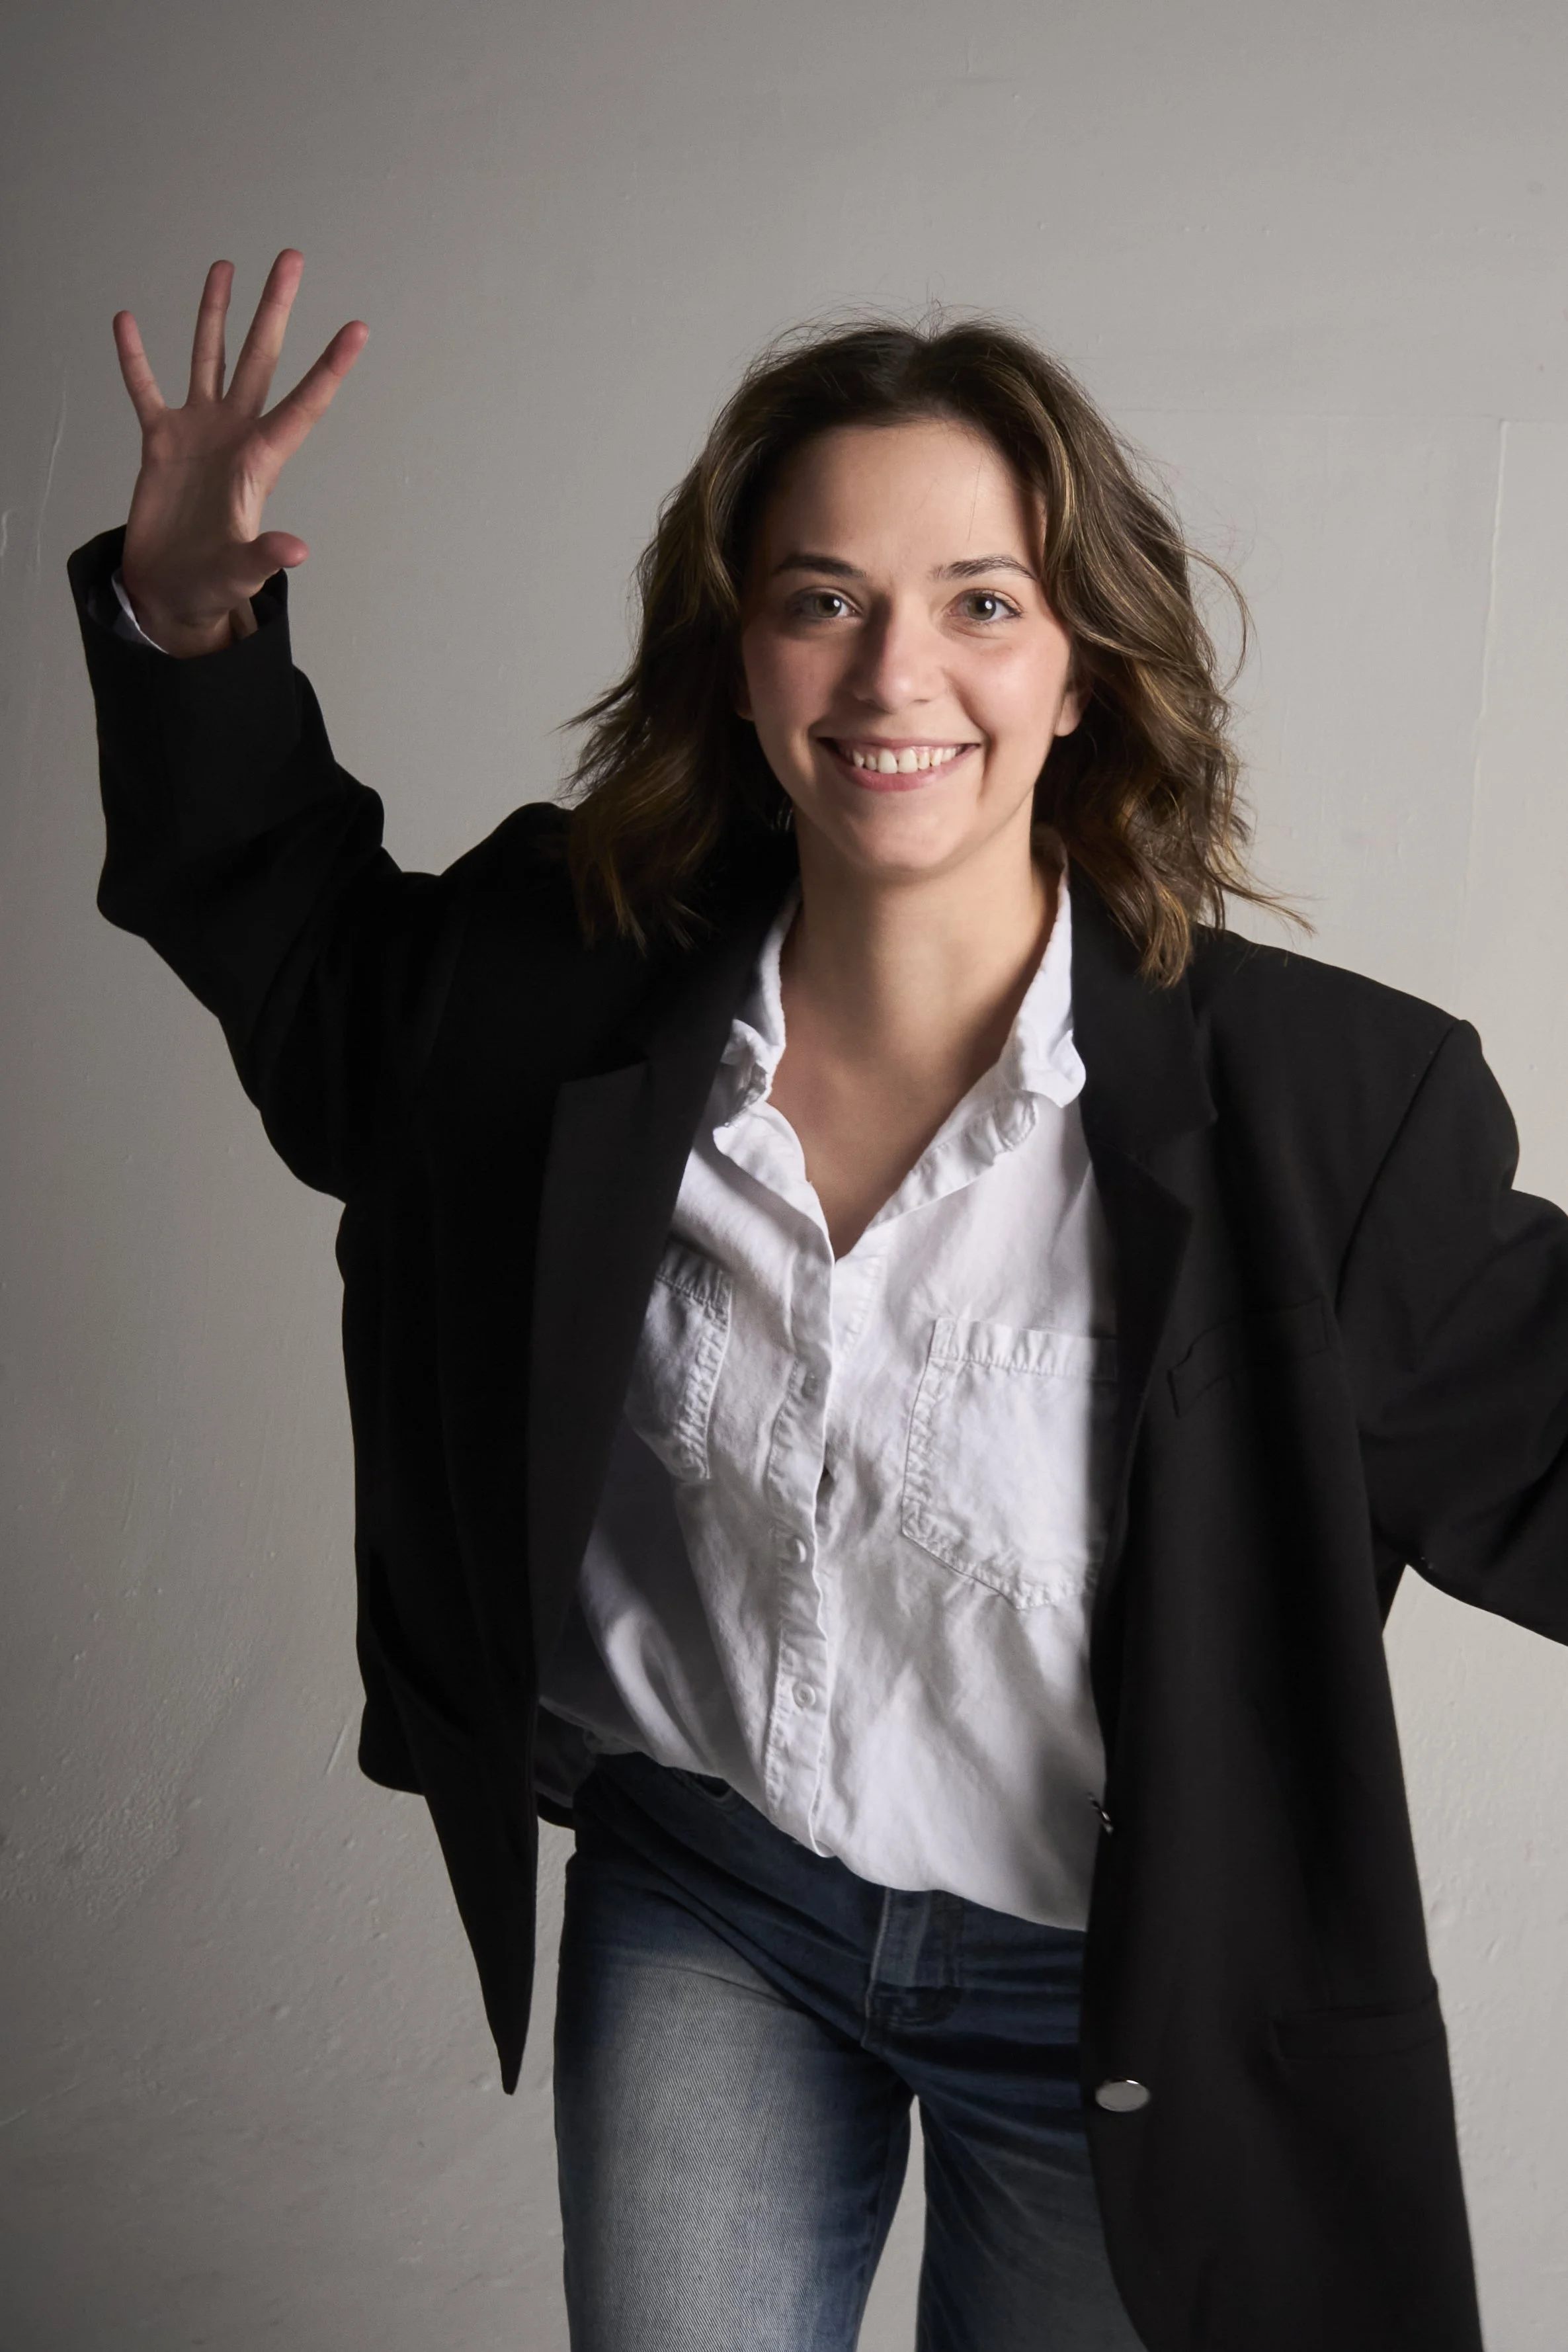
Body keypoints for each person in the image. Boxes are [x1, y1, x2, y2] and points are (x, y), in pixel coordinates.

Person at [68, 251, 1568, 2352]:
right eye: (821, 597)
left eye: (980, 599)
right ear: (744, 656)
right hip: (714, 1910)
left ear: (1083, 667)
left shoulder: (1323, 1111)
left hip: (1105, 1994)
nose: (894, 678)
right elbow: (315, 977)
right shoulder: (563, 984)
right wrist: (190, 617)